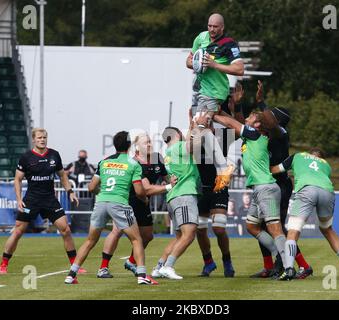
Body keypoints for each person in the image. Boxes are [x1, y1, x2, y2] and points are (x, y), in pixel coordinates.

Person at [64, 131, 158, 285]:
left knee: (90, 241)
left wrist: (102, 194)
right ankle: (142, 276)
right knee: (136, 239)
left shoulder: (104, 162)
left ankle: (71, 275)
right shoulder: (133, 163)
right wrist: (144, 200)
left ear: (115, 145)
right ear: (129, 145)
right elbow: (140, 191)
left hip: (101, 203)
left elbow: (91, 187)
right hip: (119, 204)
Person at [0, 128, 83, 274]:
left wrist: (70, 192)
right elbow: (17, 180)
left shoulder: (54, 155)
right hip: (31, 200)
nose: (42, 140)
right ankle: (3, 265)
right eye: (39, 137)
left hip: (50, 199)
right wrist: (18, 199)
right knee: (18, 231)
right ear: (34, 139)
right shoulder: (26, 157)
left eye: (44, 137)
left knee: (66, 230)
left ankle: (75, 265)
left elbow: (62, 176)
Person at [250, 80, 312, 279]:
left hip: (279, 184)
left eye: (270, 116)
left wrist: (261, 103)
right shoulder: (272, 133)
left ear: (276, 121)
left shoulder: (279, 134)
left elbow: (268, 119)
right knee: (262, 225)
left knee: (276, 227)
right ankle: (270, 266)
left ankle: (301, 265)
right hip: (271, 183)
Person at [213, 110, 287, 273]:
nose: (246, 118)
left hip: (265, 187)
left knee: (275, 228)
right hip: (258, 187)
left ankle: (287, 265)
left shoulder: (254, 135)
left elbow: (232, 123)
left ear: (258, 125)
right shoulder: (251, 134)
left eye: (250, 117)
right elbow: (235, 121)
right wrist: (222, 111)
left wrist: (212, 116)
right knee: (252, 226)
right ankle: (280, 254)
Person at [96, 133, 177, 278]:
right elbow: (146, 189)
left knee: (147, 236)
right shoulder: (133, 162)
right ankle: (103, 267)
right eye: (146, 142)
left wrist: (169, 180)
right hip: (129, 201)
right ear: (136, 146)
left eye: (150, 142)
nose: (149, 144)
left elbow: (166, 177)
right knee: (117, 231)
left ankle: (131, 261)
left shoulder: (157, 158)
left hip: (144, 203)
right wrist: (168, 187)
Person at [271, 148, 339, 281]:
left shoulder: (299, 156)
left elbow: (276, 169)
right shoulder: (326, 165)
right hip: (327, 192)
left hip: (307, 190)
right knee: (327, 229)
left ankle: (289, 269)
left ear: (310, 153)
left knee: (293, 231)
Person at [186, 13, 244, 192]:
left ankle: (222, 168)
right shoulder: (200, 38)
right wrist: (196, 64)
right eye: (209, 26)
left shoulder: (229, 44)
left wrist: (213, 65)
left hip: (214, 93)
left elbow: (239, 69)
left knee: (199, 129)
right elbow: (188, 61)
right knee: (204, 129)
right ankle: (219, 168)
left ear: (222, 27)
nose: (211, 29)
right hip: (201, 92)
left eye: (216, 27)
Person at [151, 123, 201, 280]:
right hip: (184, 195)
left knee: (179, 237)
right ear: (177, 135)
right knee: (189, 233)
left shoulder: (167, 153)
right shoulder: (178, 147)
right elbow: (194, 145)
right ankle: (168, 266)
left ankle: (158, 267)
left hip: (174, 197)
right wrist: (198, 127)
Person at [194, 109, 236, 277]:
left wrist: (231, 108)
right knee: (200, 228)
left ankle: (227, 261)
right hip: (201, 189)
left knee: (218, 228)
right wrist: (196, 127)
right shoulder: (195, 137)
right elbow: (190, 148)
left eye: (208, 121)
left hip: (219, 187)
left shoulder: (223, 136)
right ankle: (208, 262)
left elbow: (236, 125)